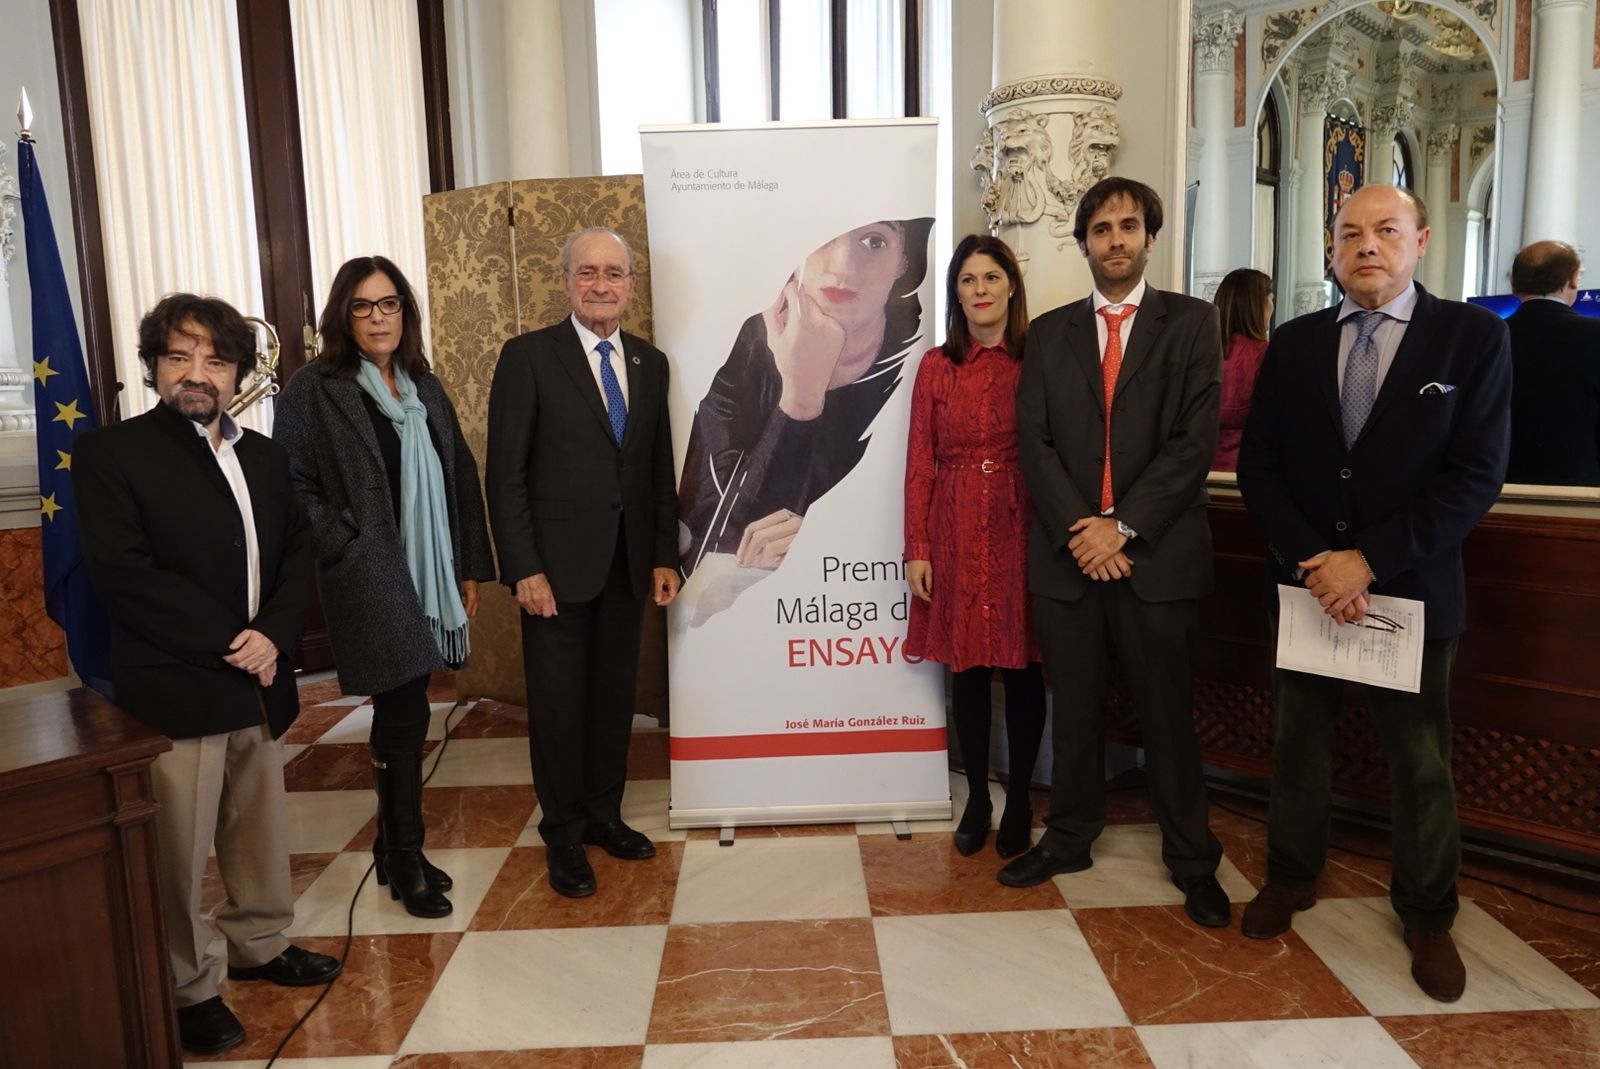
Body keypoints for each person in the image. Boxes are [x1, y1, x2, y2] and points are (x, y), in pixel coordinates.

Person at [1236, 185, 1511, 1002]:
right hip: (1307, 586)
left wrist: (1370, 560)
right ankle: (1290, 875)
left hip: (1413, 592)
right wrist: (1320, 559)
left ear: (1420, 240)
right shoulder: (1293, 344)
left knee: (1420, 762)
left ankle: (1428, 913)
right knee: (1298, 746)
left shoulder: (1473, 340)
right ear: (1330, 248)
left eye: (1386, 231)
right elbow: (1260, 465)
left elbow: (1475, 477)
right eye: (1350, 233)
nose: (1367, 246)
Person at [73, 294, 341, 1055]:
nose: (198, 374)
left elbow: (295, 555)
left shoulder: (265, 454)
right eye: (179, 357)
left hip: (260, 676)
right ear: (155, 365)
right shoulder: (111, 454)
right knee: (178, 850)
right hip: (177, 681)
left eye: (215, 360)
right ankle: (189, 984)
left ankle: (260, 942)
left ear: (237, 373)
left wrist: (275, 637)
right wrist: (235, 639)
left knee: (257, 826)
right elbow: (124, 574)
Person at [1005, 177, 1230, 932]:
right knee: (1074, 714)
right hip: (1069, 560)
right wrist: (1084, 529)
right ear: (1083, 244)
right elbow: (1032, 443)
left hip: (1154, 559)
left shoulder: (1193, 324)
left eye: (1128, 226)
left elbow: (1193, 444)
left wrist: (1122, 527)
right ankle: (1068, 837)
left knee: (1167, 716)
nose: (1115, 240)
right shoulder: (1051, 332)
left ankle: (1193, 859)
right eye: (1100, 229)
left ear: (1149, 237)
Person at [274, 255, 495, 918]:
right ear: (345, 314)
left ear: (406, 311)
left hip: (430, 569)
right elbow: (290, 484)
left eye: (390, 303)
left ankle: (400, 849)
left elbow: (460, 476)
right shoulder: (314, 389)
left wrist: (468, 566)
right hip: (372, 571)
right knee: (402, 708)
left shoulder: (423, 384)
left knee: (409, 709)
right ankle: (404, 856)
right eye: (364, 305)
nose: (378, 317)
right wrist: (342, 538)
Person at [485, 226, 680, 899]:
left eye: (615, 273)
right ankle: (563, 831)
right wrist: (523, 567)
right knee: (560, 705)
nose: (602, 285)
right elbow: (504, 475)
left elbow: (657, 470)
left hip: (627, 568)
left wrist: (663, 556)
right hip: (555, 573)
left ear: (631, 283)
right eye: (588, 272)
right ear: (565, 280)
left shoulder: (651, 364)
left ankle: (604, 814)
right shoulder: (529, 358)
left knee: (611, 700)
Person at [678, 218, 934, 586]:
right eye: (823, 234)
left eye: (874, 241)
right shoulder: (743, 349)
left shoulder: (920, 362)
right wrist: (800, 399)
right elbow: (719, 535)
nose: (843, 266)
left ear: (904, 261)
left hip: (862, 592)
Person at [903, 234, 1046, 858]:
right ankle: (979, 803)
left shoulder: (1039, 358)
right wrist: (918, 546)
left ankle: (1018, 801)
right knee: (966, 669)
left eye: (991, 278)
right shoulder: (938, 366)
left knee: (1021, 669)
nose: (980, 290)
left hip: (1023, 524)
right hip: (955, 523)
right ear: (954, 291)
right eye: (968, 280)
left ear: (1011, 286)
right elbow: (919, 463)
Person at [1504, 240, 1600, 486]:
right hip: (1580, 490)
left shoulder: (1489, 337)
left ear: (1513, 282)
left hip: (1498, 485)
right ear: (1574, 278)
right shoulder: (1595, 335)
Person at [1210, 268, 1273, 472]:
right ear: (1261, 304)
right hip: (1251, 468)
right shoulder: (1265, 354)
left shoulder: (1199, 350)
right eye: (1271, 298)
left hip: (1201, 467)